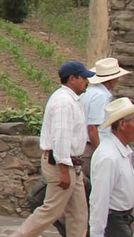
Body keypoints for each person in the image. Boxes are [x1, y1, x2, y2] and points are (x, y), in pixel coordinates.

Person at [9, 61, 93, 237]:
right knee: (51, 210)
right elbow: (61, 137)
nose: (87, 81)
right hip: (62, 163)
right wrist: (63, 169)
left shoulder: (70, 100)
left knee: (78, 213)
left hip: (71, 164)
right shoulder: (64, 102)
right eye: (84, 77)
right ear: (72, 79)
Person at [89, 97, 134, 237]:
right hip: (113, 223)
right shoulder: (108, 157)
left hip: (122, 219)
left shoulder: (123, 151)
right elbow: (99, 200)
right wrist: (97, 234)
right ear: (122, 124)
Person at [80, 58, 129, 168]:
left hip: (85, 144)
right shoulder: (101, 96)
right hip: (92, 146)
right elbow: (92, 127)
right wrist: (99, 153)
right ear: (111, 79)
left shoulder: (90, 91)